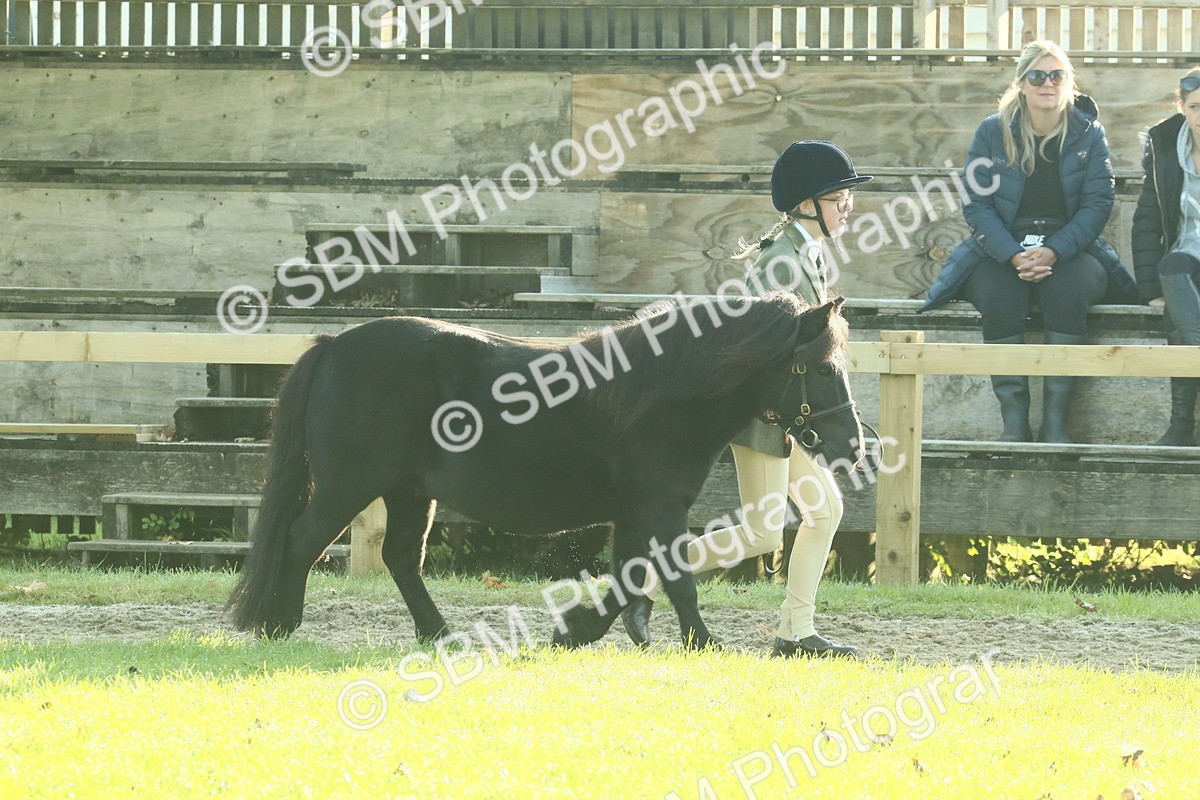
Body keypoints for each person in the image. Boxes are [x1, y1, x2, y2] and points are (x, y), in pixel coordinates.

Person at [620, 140, 870, 658]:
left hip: (789, 416)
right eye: (838, 198)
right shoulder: (780, 263)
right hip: (763, 418)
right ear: (806, 204)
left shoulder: (808, 254)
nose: (847, 207)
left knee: (824, 510)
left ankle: (796, 632)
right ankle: (642, 578)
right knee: (761, 534)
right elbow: (764, 348)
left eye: (847, 199)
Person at [922, 40, 1137, 443]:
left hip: (1071, 247)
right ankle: (1014, 423)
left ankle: (1056, 421)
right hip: (1002, 247)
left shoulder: (1089, 133)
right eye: (1037, 75)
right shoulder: (992, 131)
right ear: (1021, 83)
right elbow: (977, 204)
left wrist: (1055, 249)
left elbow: (1098, 202)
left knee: (1068, 292)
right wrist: (1014, 255)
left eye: (1057, 75)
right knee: (998, 296)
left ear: (1069, 82)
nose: (1047, 83)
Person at [1132, 67, 1200, 447]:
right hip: (1188, 259)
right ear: (1182, 107)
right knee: (1170, 266)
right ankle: (1180, 426)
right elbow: (1147, 219)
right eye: (1195, 106)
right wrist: (1148, 289)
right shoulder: (1165, 150)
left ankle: (1180, 427)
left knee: (1178, 314)